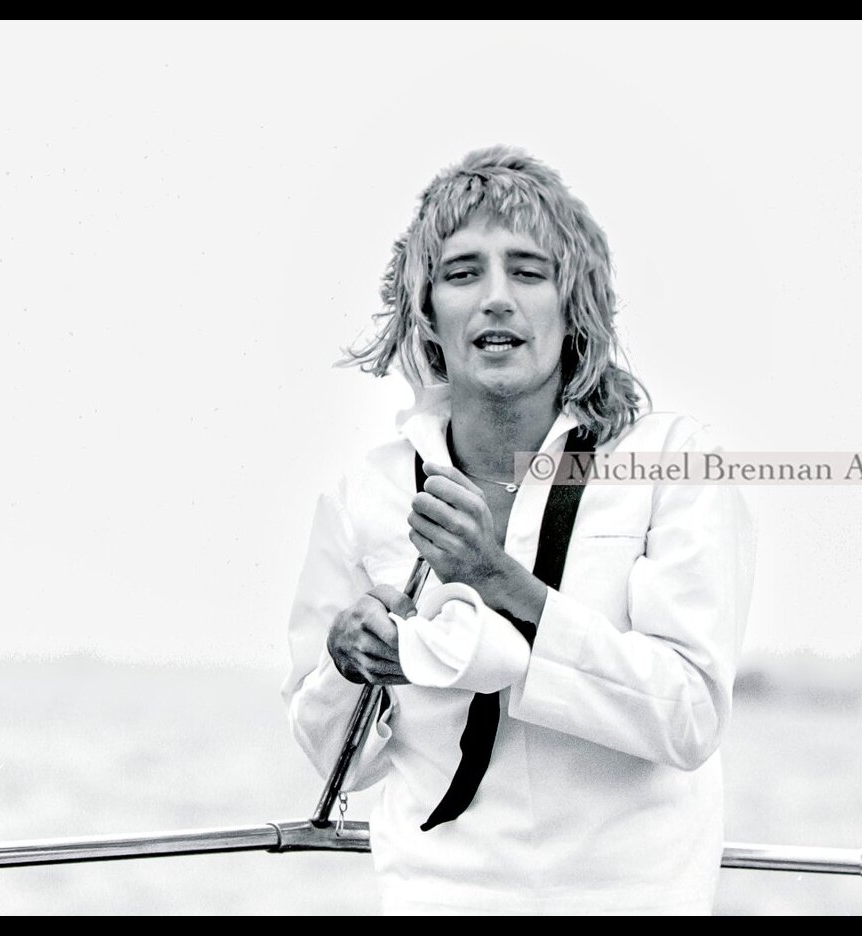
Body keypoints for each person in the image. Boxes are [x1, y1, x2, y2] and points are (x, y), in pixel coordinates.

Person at [281, 146, 757, 915]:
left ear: (576, 307)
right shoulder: (364, 493)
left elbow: (690, 716)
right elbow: (333, 755)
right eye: (463, 273)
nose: (496, 299)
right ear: (425, 310)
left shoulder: (673, 461)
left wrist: (499, 581)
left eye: (529, 272)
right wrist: (347, 662)